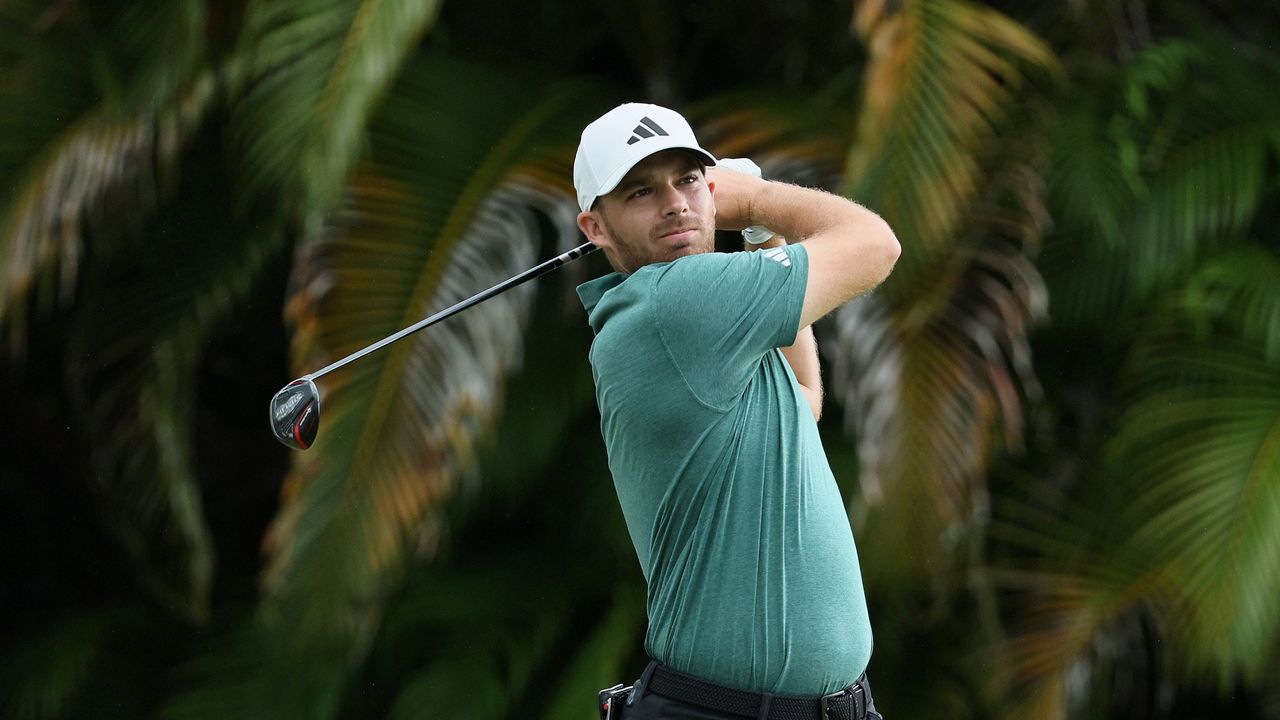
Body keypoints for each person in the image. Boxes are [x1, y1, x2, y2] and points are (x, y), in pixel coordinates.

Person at [573, 102, 900, 720]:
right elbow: (875, 245)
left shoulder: (705, 333)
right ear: (596, 227)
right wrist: (757, 201)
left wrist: (765, 241)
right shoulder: (677, 303)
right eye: (641, 190)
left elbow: (804, 395)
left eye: (688, 179)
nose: (675, 203)